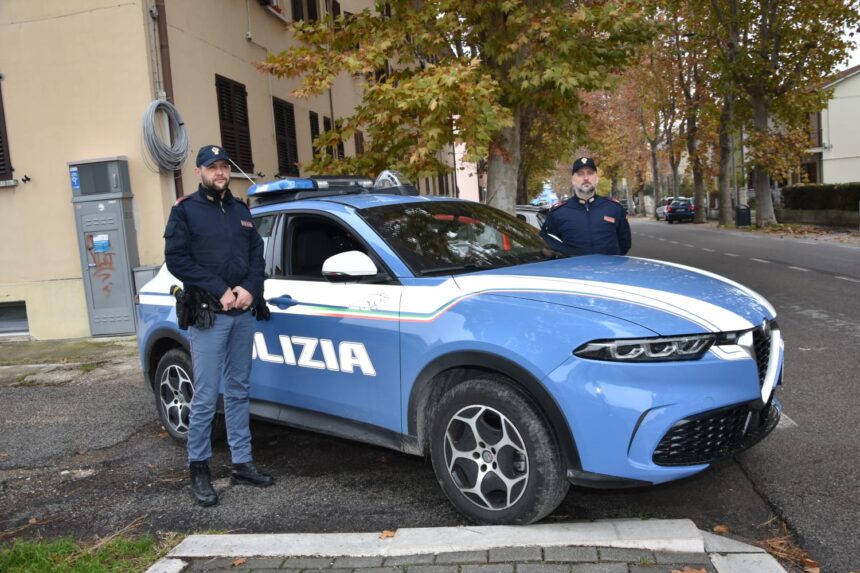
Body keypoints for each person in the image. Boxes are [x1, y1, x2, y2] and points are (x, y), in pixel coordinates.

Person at [164, 144, 272, 507]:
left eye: (224, 166)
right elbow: (177, 259)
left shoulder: (241, 210)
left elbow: (257, 256)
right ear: (199, 172)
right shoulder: (185, 211)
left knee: (240, 390)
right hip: (209, 315)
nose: (220, 173)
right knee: (208, 396)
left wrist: (249, 289)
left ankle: (242, 463)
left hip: (241, 313)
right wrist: (220, 289)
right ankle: (199, 469)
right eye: (212, 167)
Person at [539, 156, 631, 256]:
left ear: (596, 179)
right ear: (573, 179)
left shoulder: (614, 208)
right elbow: (549, 245)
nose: (586, 178)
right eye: (580, 174)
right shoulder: (558, 213)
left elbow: (625, 244)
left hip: (608, 270)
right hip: (573, 270)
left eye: (590, 173)